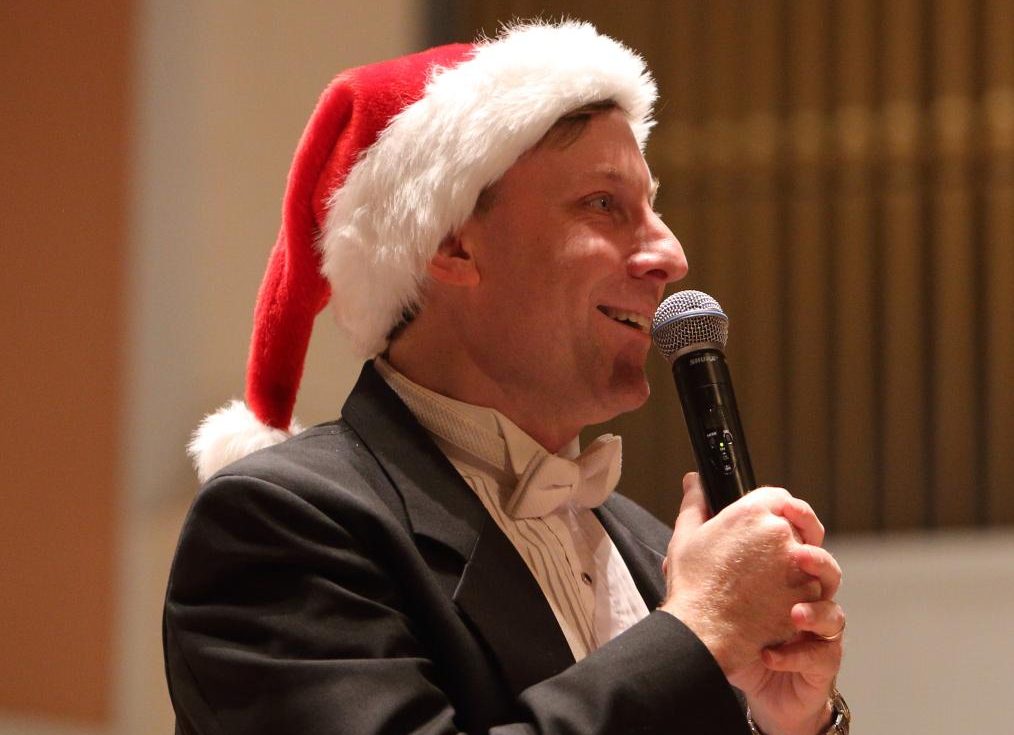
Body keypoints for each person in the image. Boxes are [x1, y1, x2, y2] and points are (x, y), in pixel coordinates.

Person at [164, 20, 848, 735]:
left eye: (654, 207)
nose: (669, 254)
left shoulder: (653, 550)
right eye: (604, 204)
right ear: (452, 240)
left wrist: (790, 725)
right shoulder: (280, 524)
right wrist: (696, 633)